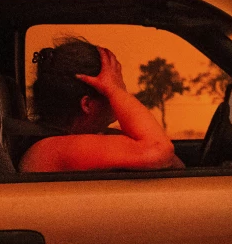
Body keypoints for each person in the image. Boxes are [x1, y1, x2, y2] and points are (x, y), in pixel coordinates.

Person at [18, 38, 184, 173]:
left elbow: (175, 165)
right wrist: (115, 90)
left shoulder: (70, 140)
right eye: (117, 87)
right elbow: (160, 150)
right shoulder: (51, 149)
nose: (124, 94)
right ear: (87, 104)